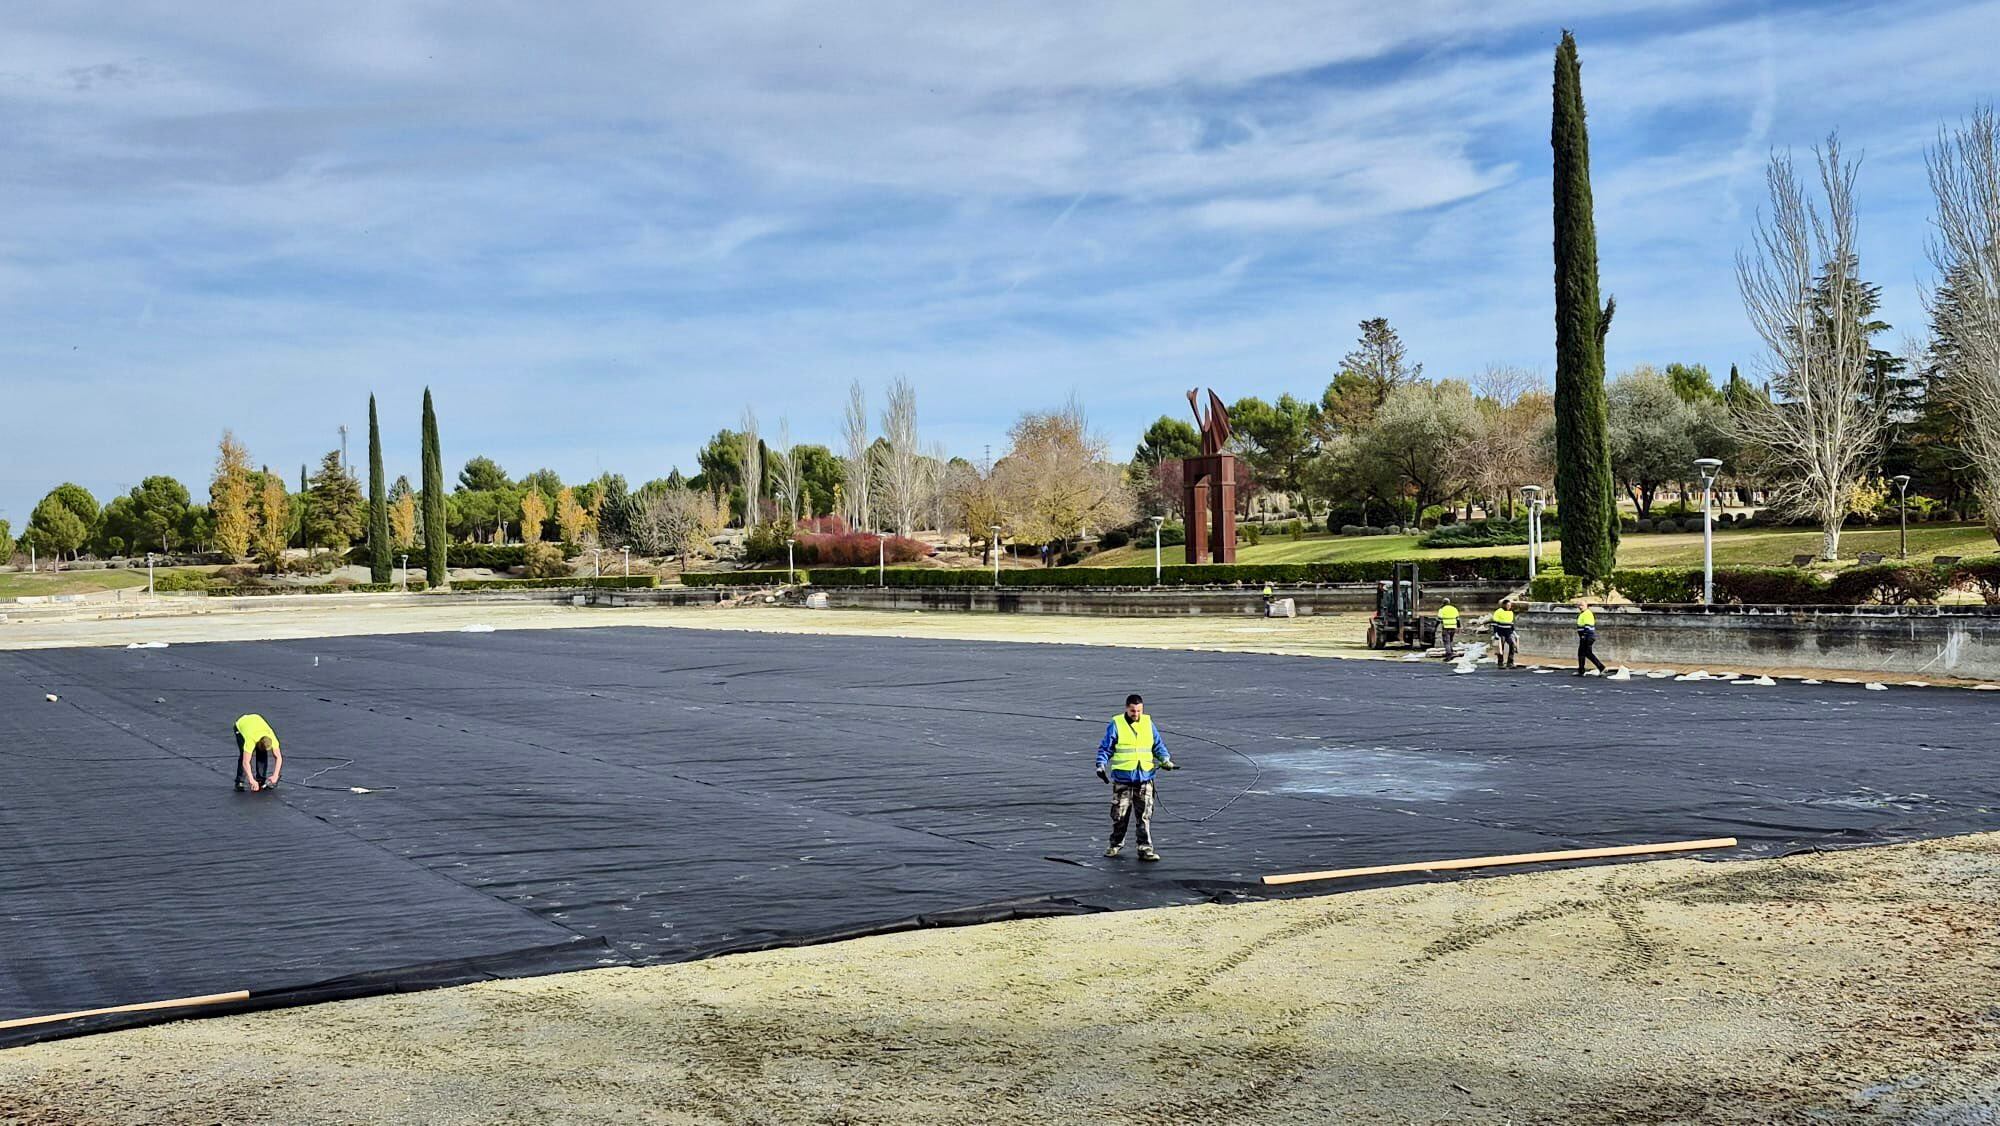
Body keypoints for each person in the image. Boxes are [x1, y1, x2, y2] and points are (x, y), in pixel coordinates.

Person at [1095, 693, 1178, 862]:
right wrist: (1100, 764)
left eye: (1139, 710)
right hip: (1123, 779)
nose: (1136, 714)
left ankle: (1145, 849)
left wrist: (1166, 760)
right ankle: (1115, 845)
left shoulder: (1148, 724)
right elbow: (1106, 748)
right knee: (1120, 815)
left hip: (1145, 777)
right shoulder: (1116, 724)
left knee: (1144, 816)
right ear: (1127, 708)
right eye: (1133, 711)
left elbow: (1157, 745)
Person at [233, 713, 284, 793]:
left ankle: (261, 779)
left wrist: (275, 775)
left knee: (262, 754)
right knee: (244, 755)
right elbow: (246, 762)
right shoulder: (250, 740)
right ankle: (239, 781)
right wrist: (251, 780)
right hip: (241, 725)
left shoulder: (272, 738)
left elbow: (279, 757)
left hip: (256, 719)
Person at [1575, 600, 1607, 676]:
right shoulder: (1582, 614)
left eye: (1582, 605)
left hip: (1587, 636)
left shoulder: (1587, 613)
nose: (1580, 607)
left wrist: (1584, 636)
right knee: (1583, 653)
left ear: (1586, 605)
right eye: (1579, 605)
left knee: (1585, 653)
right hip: (1585, 636)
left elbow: (1588, 626)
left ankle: (1601, 668)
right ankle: (1581, 671)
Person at [1492, 598, 1518, 668]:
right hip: (1501, 632)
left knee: (1512, 645)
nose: (1509, 606)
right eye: (1508, 605)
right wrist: (1495, 633)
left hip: (1508, 633)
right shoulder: (1498, 612)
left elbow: (1511, 623)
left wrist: (1514, 632)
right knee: (1501, 647)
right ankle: (1500, 663)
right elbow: (1495, 623)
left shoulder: (1511, 612)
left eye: (1510, 605)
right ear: (1504, 605)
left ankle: (1510, 662)